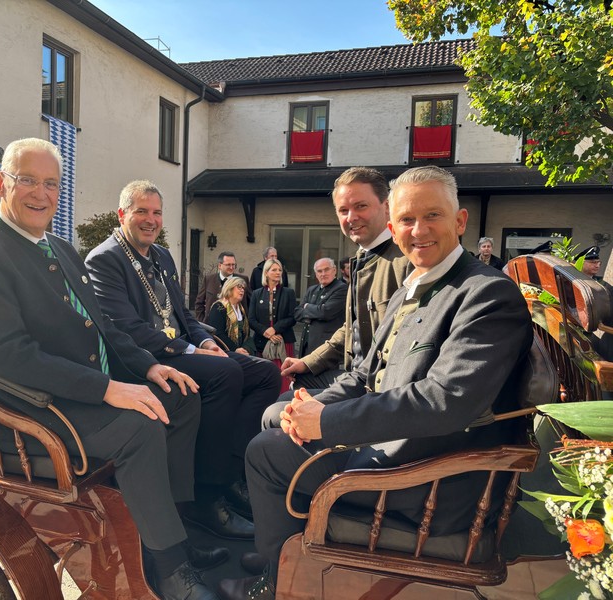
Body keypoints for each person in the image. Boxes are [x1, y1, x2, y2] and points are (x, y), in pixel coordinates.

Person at [218, 166, 534, 600]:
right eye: (406, 220)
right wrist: (308, 407)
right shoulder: (416, 284)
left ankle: (276, 584)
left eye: (432, 216)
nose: (418, 230)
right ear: (393, 226)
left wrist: (325, 422)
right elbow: (366, 371)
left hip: (429, 476)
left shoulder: (485, 294)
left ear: (459, 221)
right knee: (276, 417)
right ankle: (287, 553)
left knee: (265, 453)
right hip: (394, 447)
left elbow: (444, 402)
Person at [0, 139, 218, 600]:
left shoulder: (60, 247)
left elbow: (102, 326)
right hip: (34, 411)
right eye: (27, 180)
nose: (41, 193)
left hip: (80, 394)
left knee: (182, 398)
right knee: (140, 427)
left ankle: (172, 535)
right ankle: (170, 570)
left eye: (51, 183)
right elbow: (10, 357)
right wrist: (108, 389)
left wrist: (148, 366)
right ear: (1, 184)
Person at [86, 180, 281, 537]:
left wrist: (205, 340)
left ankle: (233, 474)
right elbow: (124, 329)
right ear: (122, 215)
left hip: (183, 352)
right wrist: (189, 349)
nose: (151, 220)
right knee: (225, 374)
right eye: (141, 211)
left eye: (157, 212)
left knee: (265, 374)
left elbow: (184, 314)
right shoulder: (105, 260)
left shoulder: (161, 256)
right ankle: (206, 496)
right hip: (144, 361)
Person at [279, 167, 409, 391]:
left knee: (276, 414)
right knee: (297, 385)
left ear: (387, 207)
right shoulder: (362, 257)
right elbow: (351, 328)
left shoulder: (404, 259)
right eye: (343, 210)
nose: (351, 217)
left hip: (381, 390)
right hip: (354, 376)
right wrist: (308, 362)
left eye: (361, 206)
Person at [248, 259, 296, 394]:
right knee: (265, 377)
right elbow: (251, 320)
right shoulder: (257, 294)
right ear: (266, 273)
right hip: (262, 344)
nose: (278, 272)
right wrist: (266, 332)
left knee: (284, 378)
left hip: (283, 343)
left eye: (280, 270)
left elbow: (293, 317)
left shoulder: (288, 293)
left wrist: (275, 329)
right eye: (274, 270)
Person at [294, 258, 348, 358]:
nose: (323, 274)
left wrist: (307, 307)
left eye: (326, 269)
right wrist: (316, 312)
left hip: (327, 347)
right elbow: (297, 313)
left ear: (334, 270)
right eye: (319, 271)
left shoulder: (341, 288)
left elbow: (326, 313)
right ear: (316, 274)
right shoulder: (312, 290)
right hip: (307, 344)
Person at [195, 251, 250, 321]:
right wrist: (202, 322)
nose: (231, 267)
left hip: (236, 326)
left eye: (233, 265)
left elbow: (250, 303)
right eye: (228, 265)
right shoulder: (209, 279)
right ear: (220, 266)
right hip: (212, 326)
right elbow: (199, 303)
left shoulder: (243, 280)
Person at [205, 276, 255, 355]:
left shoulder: (241, 309)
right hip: (225, 352)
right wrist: (235, 349)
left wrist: (245, 349)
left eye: (243, 288)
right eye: (239, 287)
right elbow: (217, 334)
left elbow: (246, 334)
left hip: (242, 352)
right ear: (229, 288)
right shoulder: (219, 307)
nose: (242, 290)